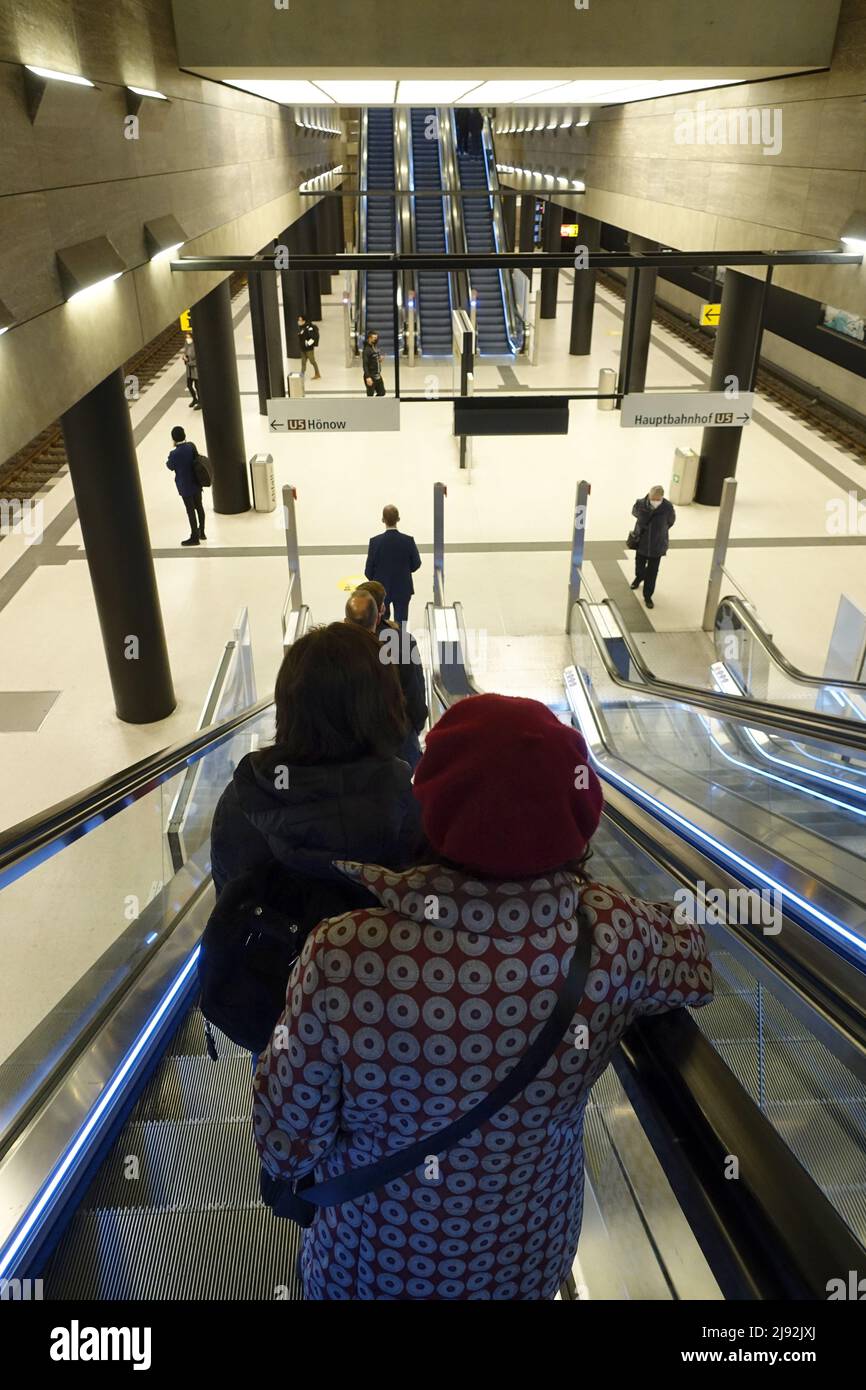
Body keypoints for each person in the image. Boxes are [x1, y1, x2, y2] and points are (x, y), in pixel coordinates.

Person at [253, 692, 714, 1301]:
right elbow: (697, 969)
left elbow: (283, 1143)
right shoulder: (613, 933)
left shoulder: (345, 956)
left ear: (432, 803)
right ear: (579, 814)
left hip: (370, 1262)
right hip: (525, 1257)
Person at [209, 623, 423, 896]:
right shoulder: (411, 809)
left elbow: (228, 903)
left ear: (287, 708)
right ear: (385, 706)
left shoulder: (241, 804)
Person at [345, 584, 427, 770]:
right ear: (379, 613)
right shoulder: (402, 642)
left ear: (346, 621)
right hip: (397, 734)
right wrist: (418, 721)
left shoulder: (331, 648)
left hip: (354, 740)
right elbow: (414, 688)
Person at [364, 504, 422, 626]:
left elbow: (368, 571)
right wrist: (405, 571)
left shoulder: (375, 542)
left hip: (380, 589)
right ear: (398, 519)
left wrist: (377, 580)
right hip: (403, 588)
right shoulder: (408, 541)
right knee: (401, 622)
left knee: (381, 623)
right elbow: (416, 563)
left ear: (383, 520)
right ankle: (401, 643)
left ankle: (382, 643)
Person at [630, 485, 676, 610]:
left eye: (655, 498)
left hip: (657, 544)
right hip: (642, 542)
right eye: (651, 497)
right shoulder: (641, 503)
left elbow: (671, 521)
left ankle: (648, 596)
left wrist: (660, 531)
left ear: (661, 497)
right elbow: (634, 512)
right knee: (639, 566)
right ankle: (639, 577)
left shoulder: (667, 507)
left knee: (653, 572)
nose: (653, 500)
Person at [166, 425, 206, 547]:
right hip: (196, 482)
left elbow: (170, 466)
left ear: (173, 438)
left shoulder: (174, 454)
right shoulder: (191, 446)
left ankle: (194, 537)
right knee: (199, 507)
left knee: (190, 511)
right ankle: (202, 532)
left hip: (185, 486)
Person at [298, 314, 321, 380]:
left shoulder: (309, 328)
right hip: (303, 348)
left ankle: (317, 373)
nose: (298, 321)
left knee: (312, 361)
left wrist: (308, 344)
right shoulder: (302, 328)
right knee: (303, 362)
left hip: (309, 349)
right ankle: (302, 375)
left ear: (304, 321)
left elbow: (313, 337)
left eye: (300, 320)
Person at [362, 330, 386, 397]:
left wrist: (379, 359)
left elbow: (374, 358)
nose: (376, 339)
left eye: (376, 338)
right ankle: (370, 406)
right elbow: (365, 364)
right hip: (371, 376)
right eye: (374, 338)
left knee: (382, 392)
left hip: (378, 375)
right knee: (370, 395)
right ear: (369, 338)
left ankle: (376, 405)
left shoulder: (374, 347)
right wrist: (368, 377)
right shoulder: (366, 350)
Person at [182, 334, 200, 409]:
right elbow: (186, 354)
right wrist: (184, 358)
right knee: (189, 385)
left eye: (189, 337)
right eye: (186, 337)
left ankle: (200, 401)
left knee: (197, 386)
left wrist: (189, 362)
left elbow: (198, 359)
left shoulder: (196, 346)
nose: (187, 339)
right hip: (189, 370)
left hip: (195, 370)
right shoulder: (186, 345)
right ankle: (194, 399)